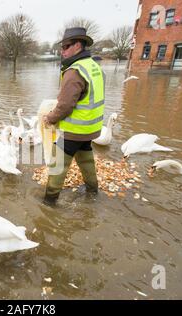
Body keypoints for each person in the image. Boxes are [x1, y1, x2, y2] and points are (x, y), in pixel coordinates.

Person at [42, 27, 105, 205]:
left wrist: (50, 118)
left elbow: (65, 106)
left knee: (57, 165)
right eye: (62, 47)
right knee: (85, 157)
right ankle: (93, 191)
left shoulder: (75, 71)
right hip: (91, 128)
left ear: (78, 45)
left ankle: (49, 201)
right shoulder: (94, 66)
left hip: (74, 129)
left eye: (66, 46)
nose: (62, 51)